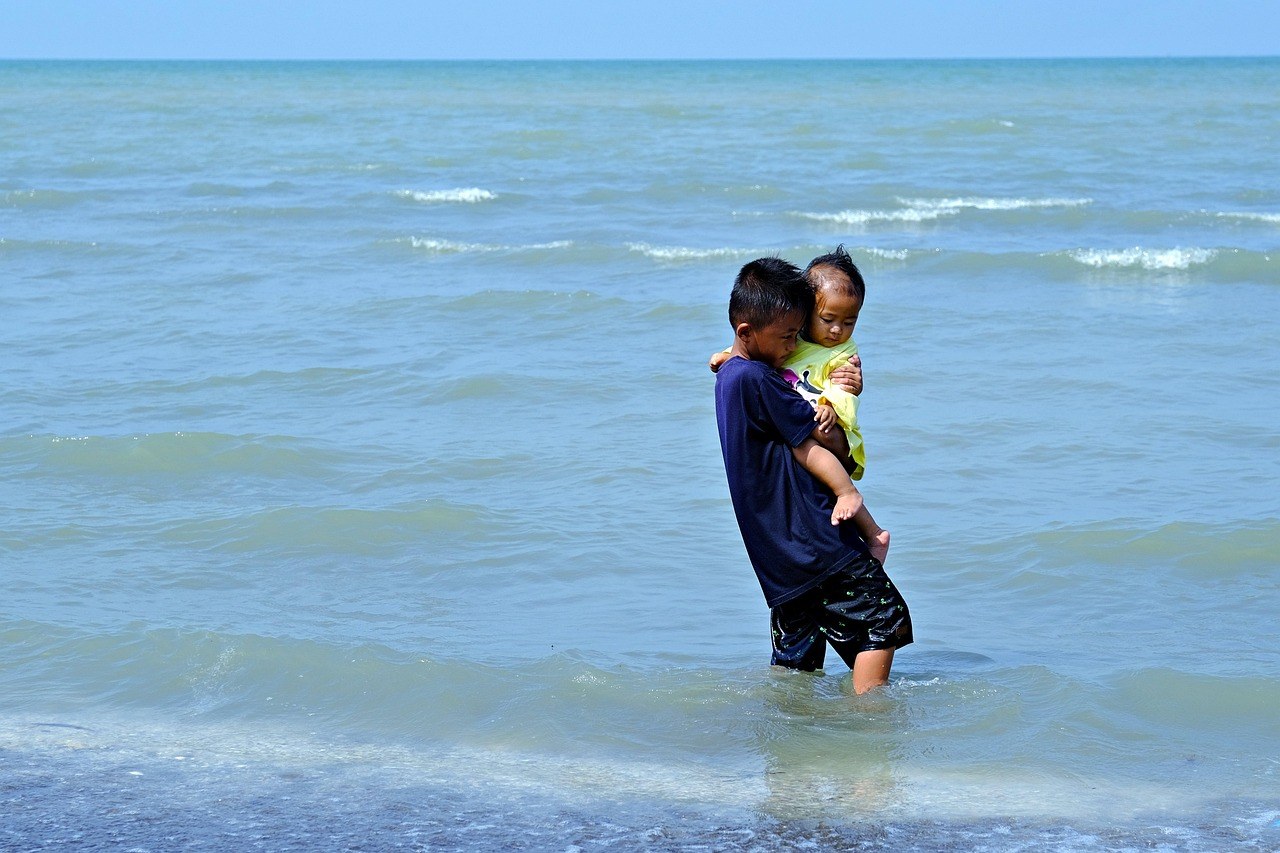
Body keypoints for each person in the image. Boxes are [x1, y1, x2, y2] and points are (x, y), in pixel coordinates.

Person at [714, 257, 911, 692]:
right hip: (814, 539)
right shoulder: (762, 381)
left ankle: (791, 754)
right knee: (885, 620)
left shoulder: (731, 375)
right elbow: (814, 445)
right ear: (747, 333)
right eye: (787, 337)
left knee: (796, 660)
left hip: (775, 553)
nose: (792, 346)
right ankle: (871, 725)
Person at [710, 245, 867, 483]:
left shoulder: (843, 352)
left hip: (829, 423)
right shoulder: (791, 343)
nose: (837, 330)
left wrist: (832, 406)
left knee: (812, 454)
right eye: (827, 319)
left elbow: (842, 390)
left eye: (849, 322)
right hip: (801, 434)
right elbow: (760, 346)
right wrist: (729, 355)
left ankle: (846, 493)